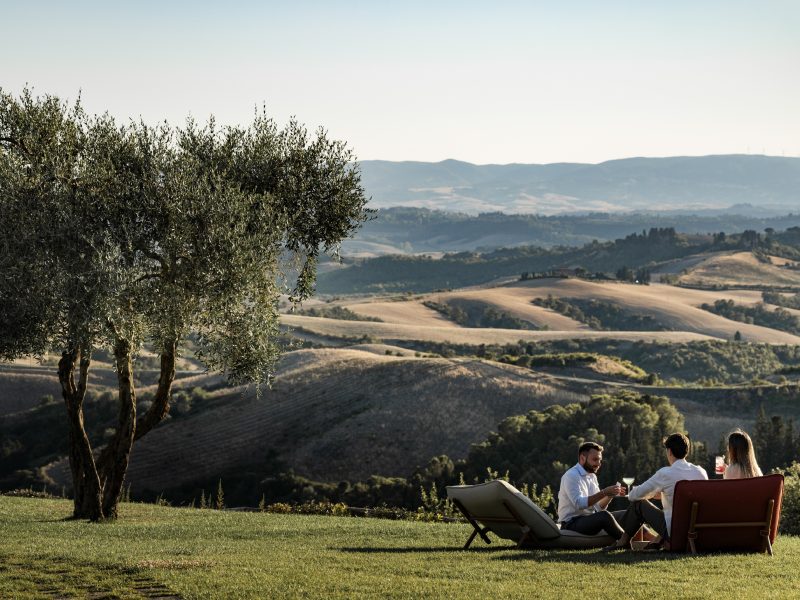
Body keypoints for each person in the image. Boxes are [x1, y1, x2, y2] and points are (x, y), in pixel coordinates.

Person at [602, 432, 707, 552]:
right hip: (695, 530)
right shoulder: (701, 471)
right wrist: (664, 494)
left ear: (669, 452)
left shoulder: (666, 473)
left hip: (675, 531)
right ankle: (644, 542)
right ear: (686, 451)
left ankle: (622, 541)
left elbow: (633, 496)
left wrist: (652, 494)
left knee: (639, 505)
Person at [557, 441, 627, 540]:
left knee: (627, 513)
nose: (598, 464)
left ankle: (650, 542)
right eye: (595, 460)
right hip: (571, 523)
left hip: (589, 519)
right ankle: (626, 542)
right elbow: (579, 504)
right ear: (582, 458)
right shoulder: (571, 476)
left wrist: (610, 495)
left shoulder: (592, 476)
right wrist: (604, 492)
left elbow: (598, 507)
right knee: (604, 516)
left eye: (600, 460)